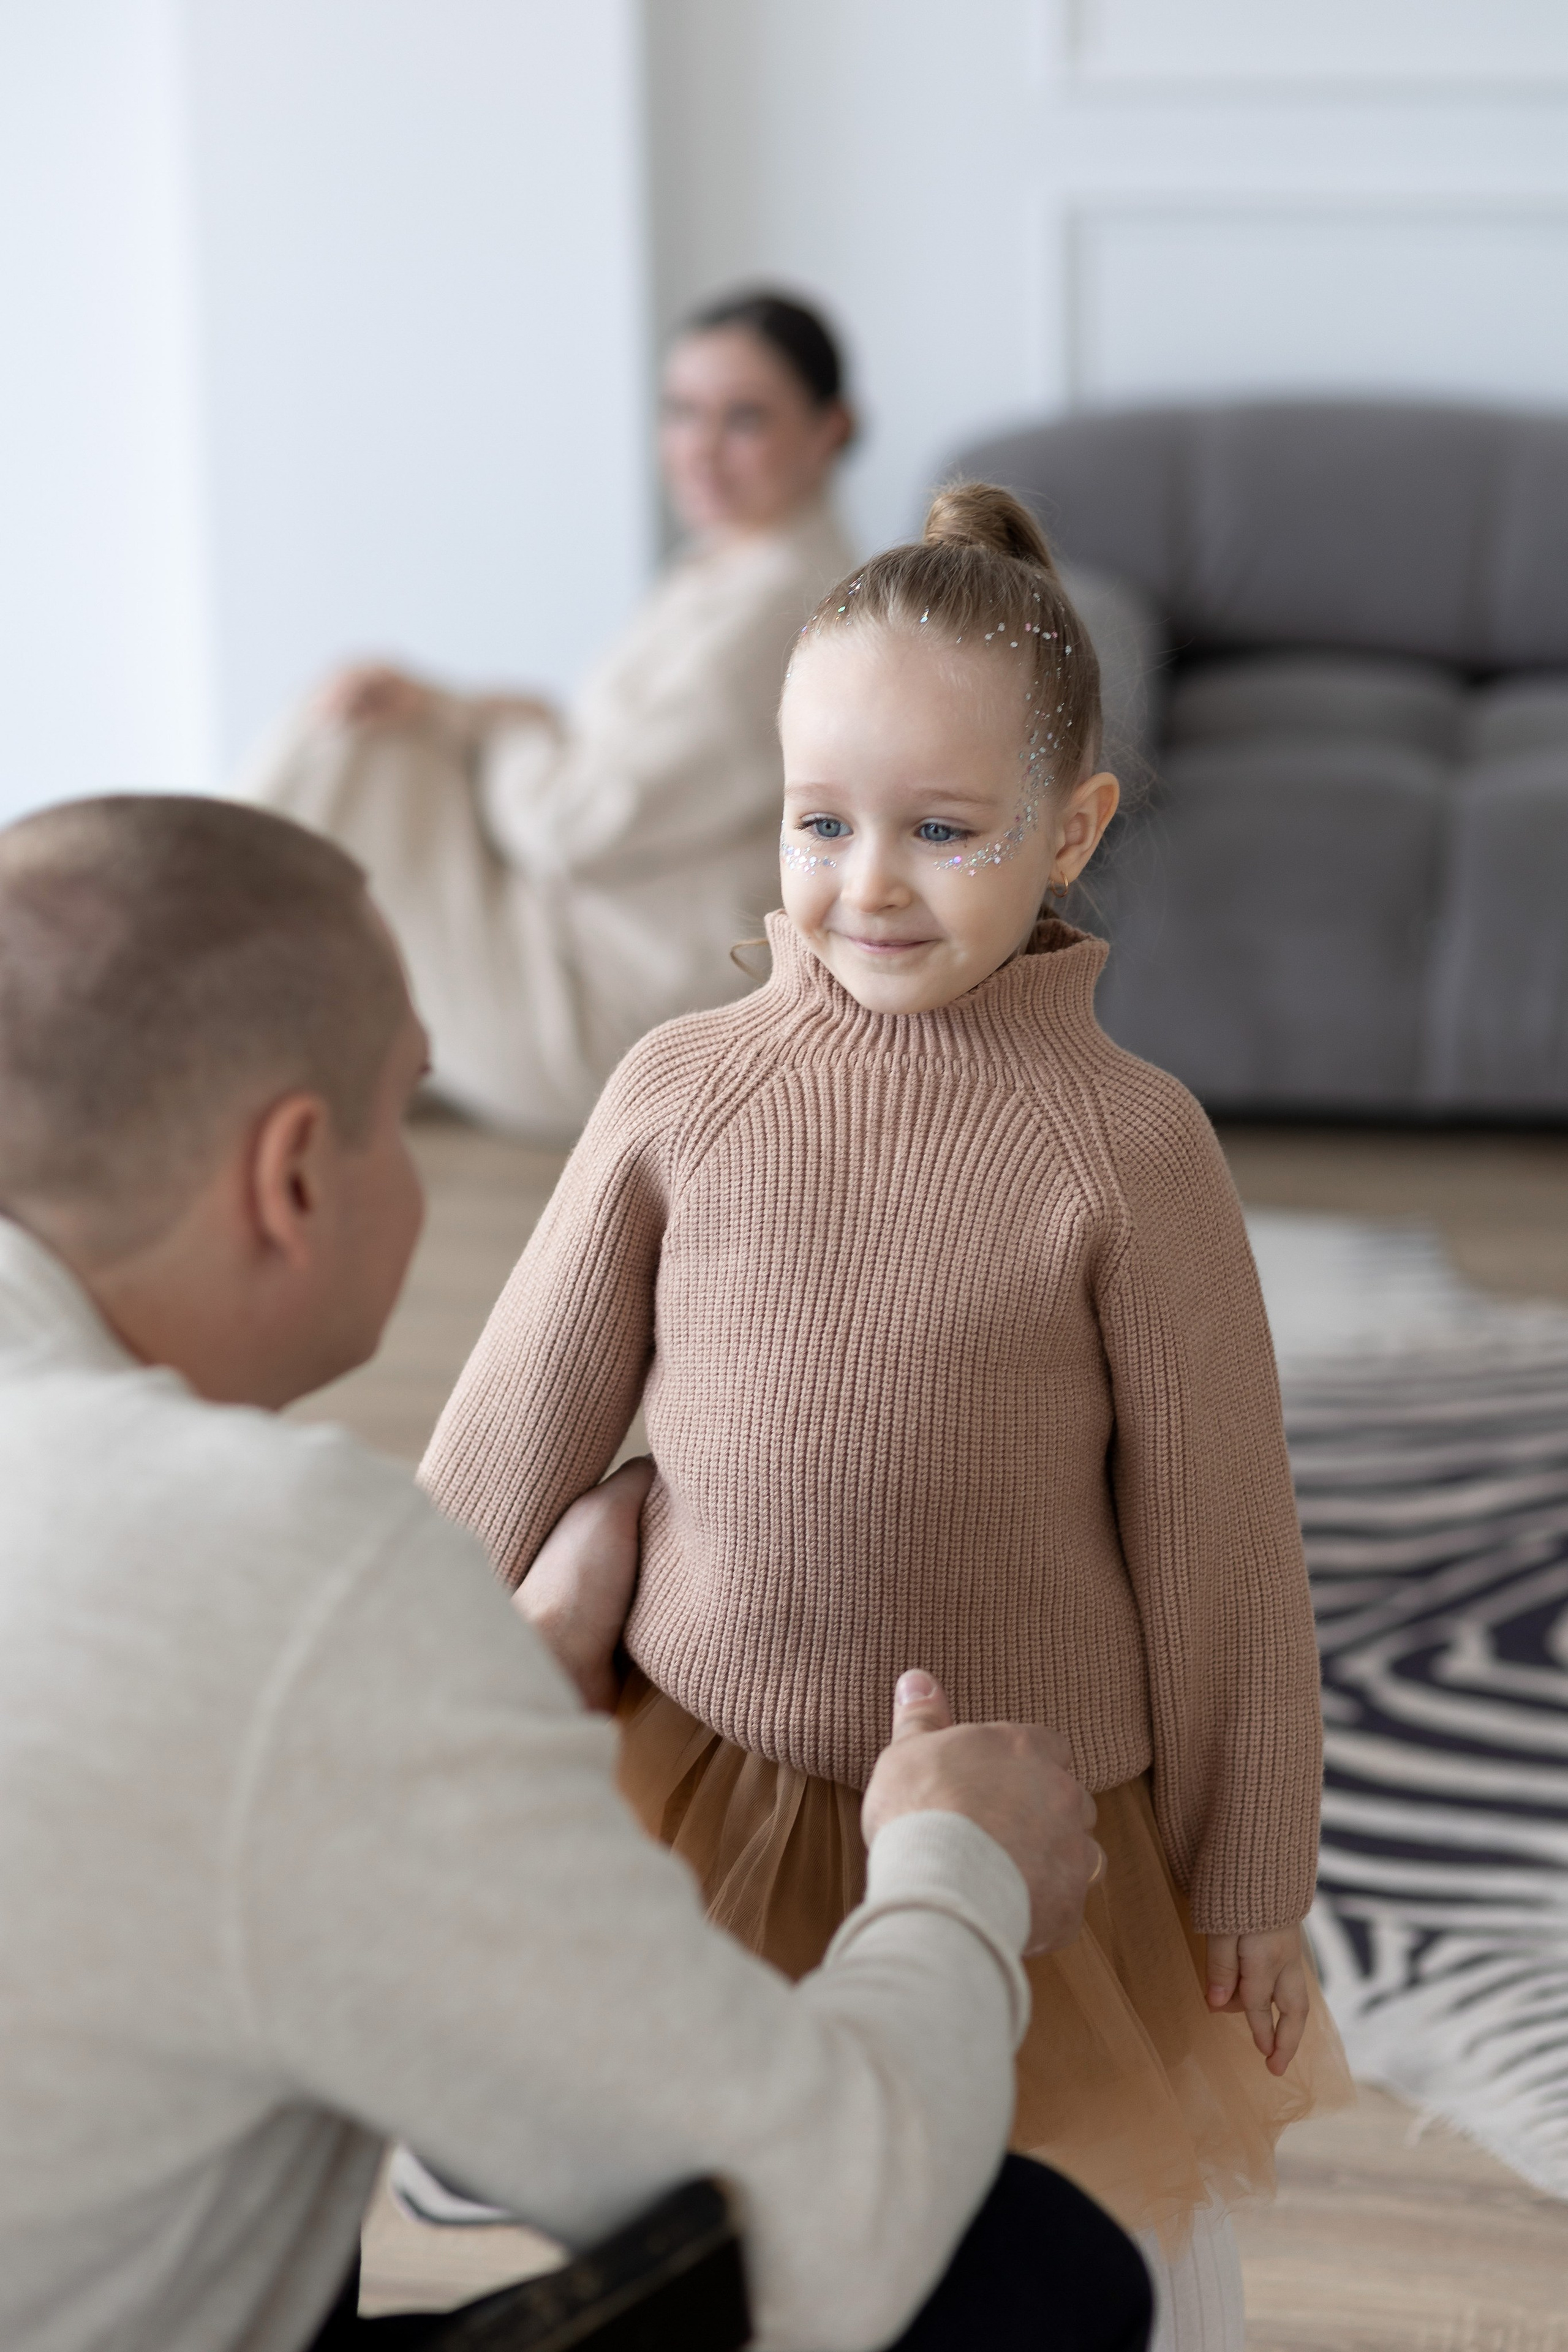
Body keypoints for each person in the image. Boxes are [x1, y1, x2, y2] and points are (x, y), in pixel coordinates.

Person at [0, 793, 1152, 2352]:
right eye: (409, 1105)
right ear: (295, 1177)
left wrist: (471, 1690)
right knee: (1031, 2272)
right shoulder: (276, 1571)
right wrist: (960, 1869)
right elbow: (834, 2222)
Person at [420, 486, 1356, 2352]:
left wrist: (1251, 1864)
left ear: (1070, 829)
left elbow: (1221, 1541)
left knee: (1088, 2225)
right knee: (744, 2215)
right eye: (819, 822)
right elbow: (515, 1414)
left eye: (941, 830)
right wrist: (381, 1680)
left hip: (1038, 1824)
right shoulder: (681, 1089)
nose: (866, 883)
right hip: (712, 1774)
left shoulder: (1131, 1148)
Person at [235, 290, 856, 1142]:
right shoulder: (728, 570)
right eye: (681, 412)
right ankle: (188, 956)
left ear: (830, 429)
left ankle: (166, 957)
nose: (700, 449)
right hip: (576, 933)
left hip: (598, 1005)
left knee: (361, 741)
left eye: (744, 419)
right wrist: (481, 715)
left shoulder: (779, 609)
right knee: (375, 719)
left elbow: (569, 821)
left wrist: (497, 721)